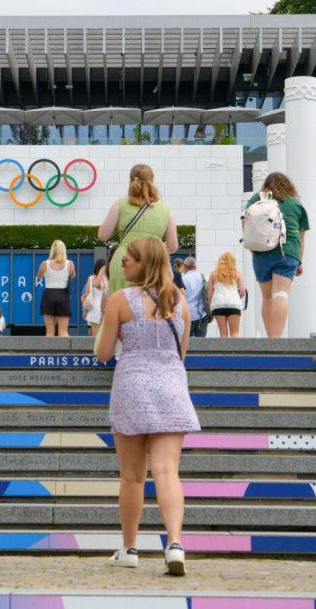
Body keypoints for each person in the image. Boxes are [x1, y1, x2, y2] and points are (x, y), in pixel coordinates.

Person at [95, 236, 198, 576]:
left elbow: (104, 353)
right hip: (171, 387)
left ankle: (129, 547)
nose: (123, 263)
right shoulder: (179, 301)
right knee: (167, 471)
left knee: (132, 476)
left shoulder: (120, 301)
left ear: (144, 263)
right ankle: (175, 544)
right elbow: (181, 353)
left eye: (129, 258)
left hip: (133, 387)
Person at [97, 164, 179, 298]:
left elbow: (102, 235)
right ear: (152, 180)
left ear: (131, 180)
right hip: (152, 261)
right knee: (152, 307)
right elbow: (172, 245)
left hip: (124, 260)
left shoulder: (120, 204)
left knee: (119, 305)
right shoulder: (166, 209)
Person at [246, 172, 309, 338]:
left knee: (267, 297)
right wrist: (300, 261)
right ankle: (277, 340)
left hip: (260, 252)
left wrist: (254, 248)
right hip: (287, 252)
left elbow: (245, 226)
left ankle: (269, 339)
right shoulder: (295, 204)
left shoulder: (256, 199)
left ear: (266, 185)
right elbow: (301, 237)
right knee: (280, 293)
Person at [38, 240, 76, 337]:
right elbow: (72, 276)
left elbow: (39, 276)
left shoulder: (44, 264)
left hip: (48, 295)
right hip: (63, 295)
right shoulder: (70, 264)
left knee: (50, 332)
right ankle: (66, 352)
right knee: (63, 332)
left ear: (52, 250)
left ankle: (48, 352)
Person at [207, 251, 246, 338]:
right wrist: (236, 296)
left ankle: (223, 352)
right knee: (235, 333)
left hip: (218, 305)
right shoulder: (237, 274)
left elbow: (209, 294)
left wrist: (210, 306)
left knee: (223, 334)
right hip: (233, 304)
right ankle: (235, 352)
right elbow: (243, 291)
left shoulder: (213, 274)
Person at [181, 257, 209, 338]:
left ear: (185, 266)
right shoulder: (204, 277)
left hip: (187, 315)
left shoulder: (183, 279)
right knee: (201, 343)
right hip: (202, 315)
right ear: (195, 267)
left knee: (185, 342)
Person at [81, 258, 108, 339]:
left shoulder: (91, 278)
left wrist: (85, 310)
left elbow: (87, 294)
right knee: (105, 336)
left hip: (93, 309)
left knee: (95, 337)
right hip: (106, 308)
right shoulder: (108, 279)